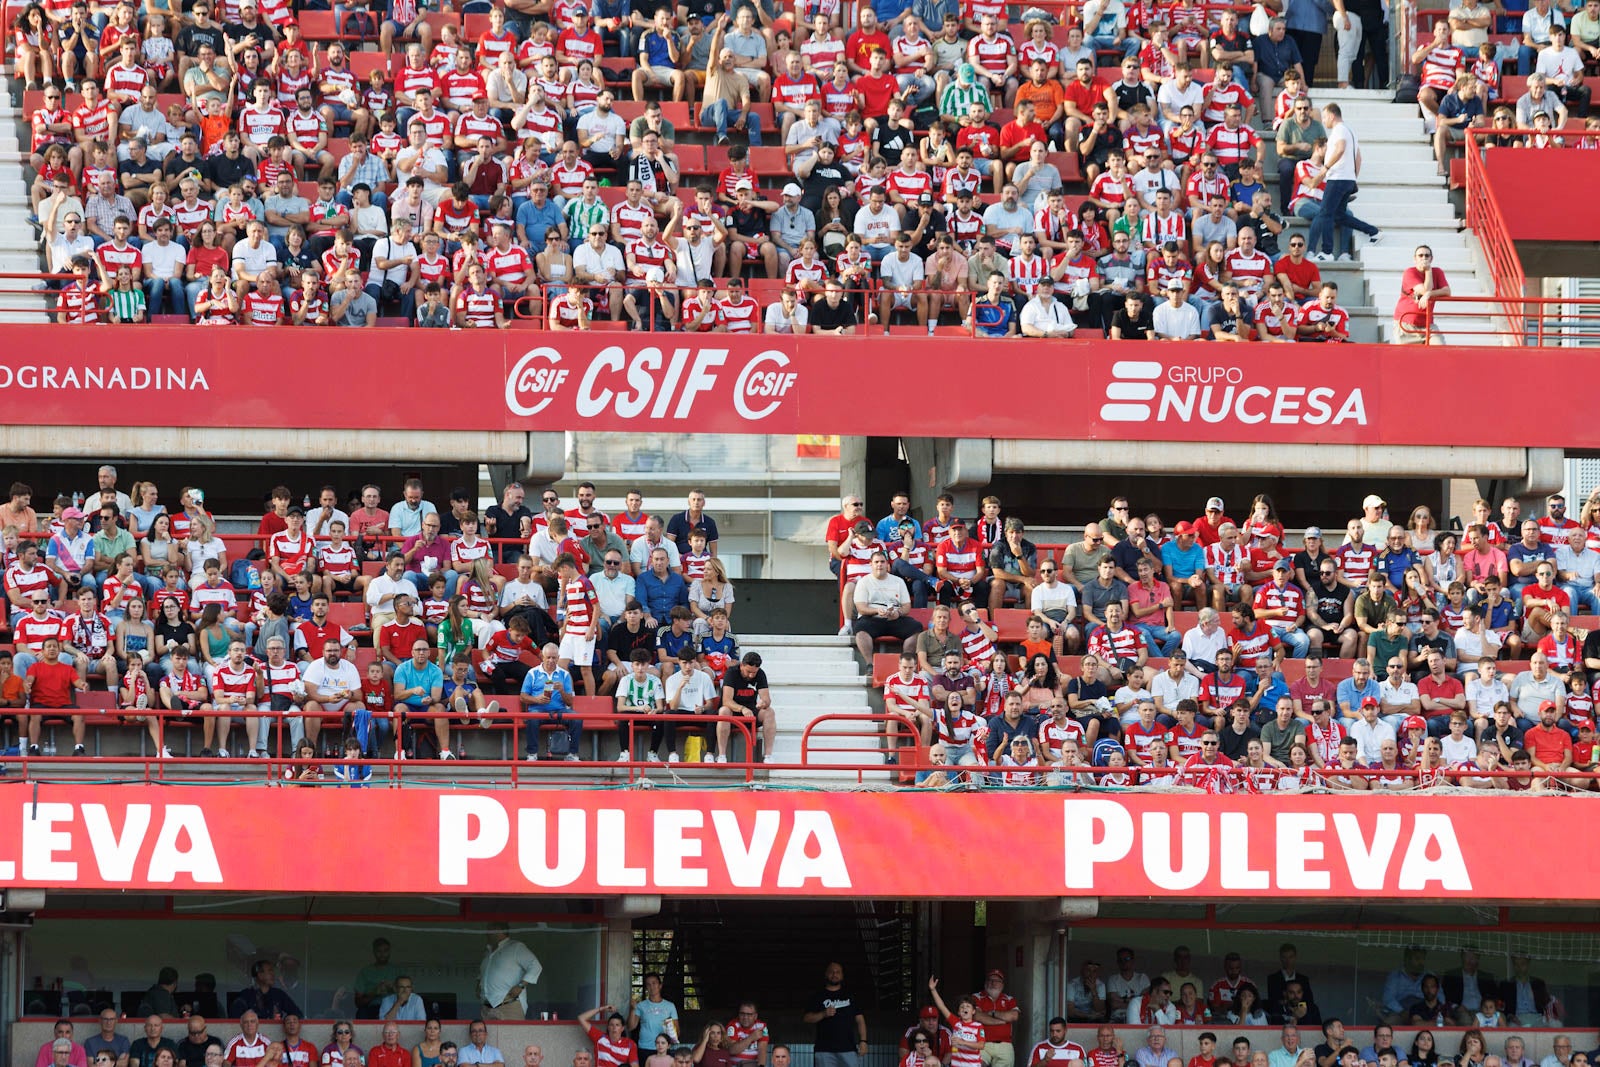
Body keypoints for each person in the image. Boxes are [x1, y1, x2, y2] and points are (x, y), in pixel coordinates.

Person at [804, 963, 869, 1067]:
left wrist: (863, 1041)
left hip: (848, 1049)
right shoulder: (817, 996)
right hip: (824, 1051)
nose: (834, 974)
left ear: (842, 975)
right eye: (831, 972)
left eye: (838, 972)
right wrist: (823, 1014)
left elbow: (860, 1020)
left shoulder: (851, 996)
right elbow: (807, 1018)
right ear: (826, 974)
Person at [480, 923, 543, 1021]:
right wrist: (479, 984)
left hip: (509, 1004)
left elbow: (535, 966)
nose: (486, 933)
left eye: (489, 930)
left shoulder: (516, 947)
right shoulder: (488, 952)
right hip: (487, 1007)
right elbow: (485, 972)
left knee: (512, 1032)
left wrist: (521, 986)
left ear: (499, 930)